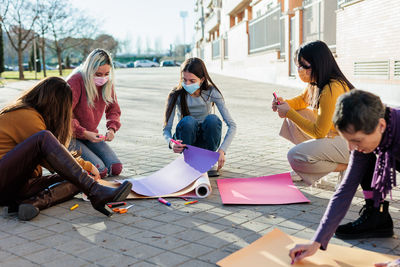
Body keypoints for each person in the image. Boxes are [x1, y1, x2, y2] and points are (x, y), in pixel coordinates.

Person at [289, 90, 399, 267]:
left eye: (356, 141)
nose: (351, 148)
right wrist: (316, 241)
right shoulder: (365, 137)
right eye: (347, 140)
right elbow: (345, 190)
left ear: (381, 126)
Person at [0, 77, 132, 221]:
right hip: (4, 182)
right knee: (44, 138)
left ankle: (32, 203)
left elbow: (62, 164)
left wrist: (85, 171)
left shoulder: (35, 116)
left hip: (13, 186)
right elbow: (52, 162)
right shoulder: (26, 115)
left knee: (80, 178)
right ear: (56, 105)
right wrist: (85, 165)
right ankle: (95, 191)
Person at [272, 40, 354, 184]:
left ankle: (349, 167)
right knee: (296, 115)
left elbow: (319, 133)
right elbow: (302, 101)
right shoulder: (317, 82)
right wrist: (283, 104)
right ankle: (312, 165)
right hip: (335, 136)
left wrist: (288, 112)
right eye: (298, 65)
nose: (300, 69)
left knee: (295, 156)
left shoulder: (331, 88)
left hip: (350, 144)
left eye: (304, 65)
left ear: (318, 63)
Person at [163, 57, 236, 177]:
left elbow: (232, 125)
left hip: (206, 141)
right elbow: (166, 129)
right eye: (184, 79)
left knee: (212, 119)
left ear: (202, 79)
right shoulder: (175, 95)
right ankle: (188, 159)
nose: (187, 84)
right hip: (186, 140)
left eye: (192, 81)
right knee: (188, 121)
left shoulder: (212, 92)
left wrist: (222, 151)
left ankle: (208, 158)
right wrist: (172, 143)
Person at [67, 48, 122, 178]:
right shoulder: (75, 81)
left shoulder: (107, 83)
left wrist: (112, 129)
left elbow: (114, 109)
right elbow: (63, 116)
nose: (102, 78)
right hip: (69, 136)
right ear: (89, 70)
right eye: (98, 74)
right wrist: (83, 132)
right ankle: (69, 162)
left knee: (115, 168)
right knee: (100, 171)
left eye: (106, 74)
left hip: (89, 136)